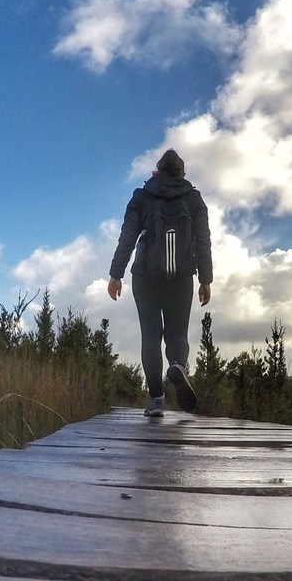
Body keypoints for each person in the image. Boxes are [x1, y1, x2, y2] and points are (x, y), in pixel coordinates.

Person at [107, 149, 212, 417]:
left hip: (145, 276)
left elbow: (127, 236)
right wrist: (205, 279)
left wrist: (116, 274)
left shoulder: (142, 196)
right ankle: (177, 365)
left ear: (158, 170)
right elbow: (203, 241)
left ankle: (155, 401)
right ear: (182, 173)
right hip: (181, 277)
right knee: (177, 334)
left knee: (151, 336)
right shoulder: (193, 199)